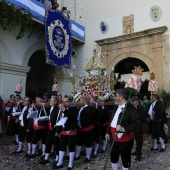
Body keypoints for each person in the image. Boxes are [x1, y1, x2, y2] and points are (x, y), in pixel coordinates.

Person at [105, 89, 140, 170]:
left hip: (125, 141)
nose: (115, 98)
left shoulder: (131, 109)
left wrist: (124, 129)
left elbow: (136, 124)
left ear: (121, 97)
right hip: (113, 139)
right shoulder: (115, 107)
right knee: (113, 158)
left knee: (125, 160)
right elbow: (111, 121)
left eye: (116, 96)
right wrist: (108, 132)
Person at [53, 96, 79, 170]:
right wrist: (57, 131)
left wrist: (64, 109)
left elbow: (71, 116)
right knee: (61, 147)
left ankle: (70, 164)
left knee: (71, 147)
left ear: (70, 102)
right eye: (63, 101)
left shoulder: (74, 109)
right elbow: (59, 119)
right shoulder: (61, 109)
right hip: (63, 131)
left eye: (66, 101)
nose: (64, 103)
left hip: (71, 131)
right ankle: (60, 162)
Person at [39, 96, 60, 164]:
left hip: (55, 129)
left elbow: (58, 121)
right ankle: (46, 158)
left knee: (57, 144)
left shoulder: (57, 110)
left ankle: (57, 158)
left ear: (56, 102)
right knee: (48, 143)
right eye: (50, 100)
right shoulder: (51, 108)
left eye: (52, 100)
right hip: (50, 129)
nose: (50, 101)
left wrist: (57, 131)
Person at [74, 97, 95, 162]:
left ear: (83, 102)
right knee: (79, 143)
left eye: (79, 101)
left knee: (88, 143)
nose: (78, 103)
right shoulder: (80, 108)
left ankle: (88, 156)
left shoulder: (89, 108)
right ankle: (77, 155)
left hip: (88, 129)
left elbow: (90, 114)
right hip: (80, 129)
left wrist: (85, 105)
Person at [131, 95, 146, 161]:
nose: (132, 102)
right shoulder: (134, 107)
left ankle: (139, 154)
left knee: (139, 140)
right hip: (135, 126)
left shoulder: (140, 107)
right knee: (136, 139)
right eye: (132, 101)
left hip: (139, 126)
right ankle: (137, 151)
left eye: (133, 101)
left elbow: (141, 117)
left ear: (137, 101)